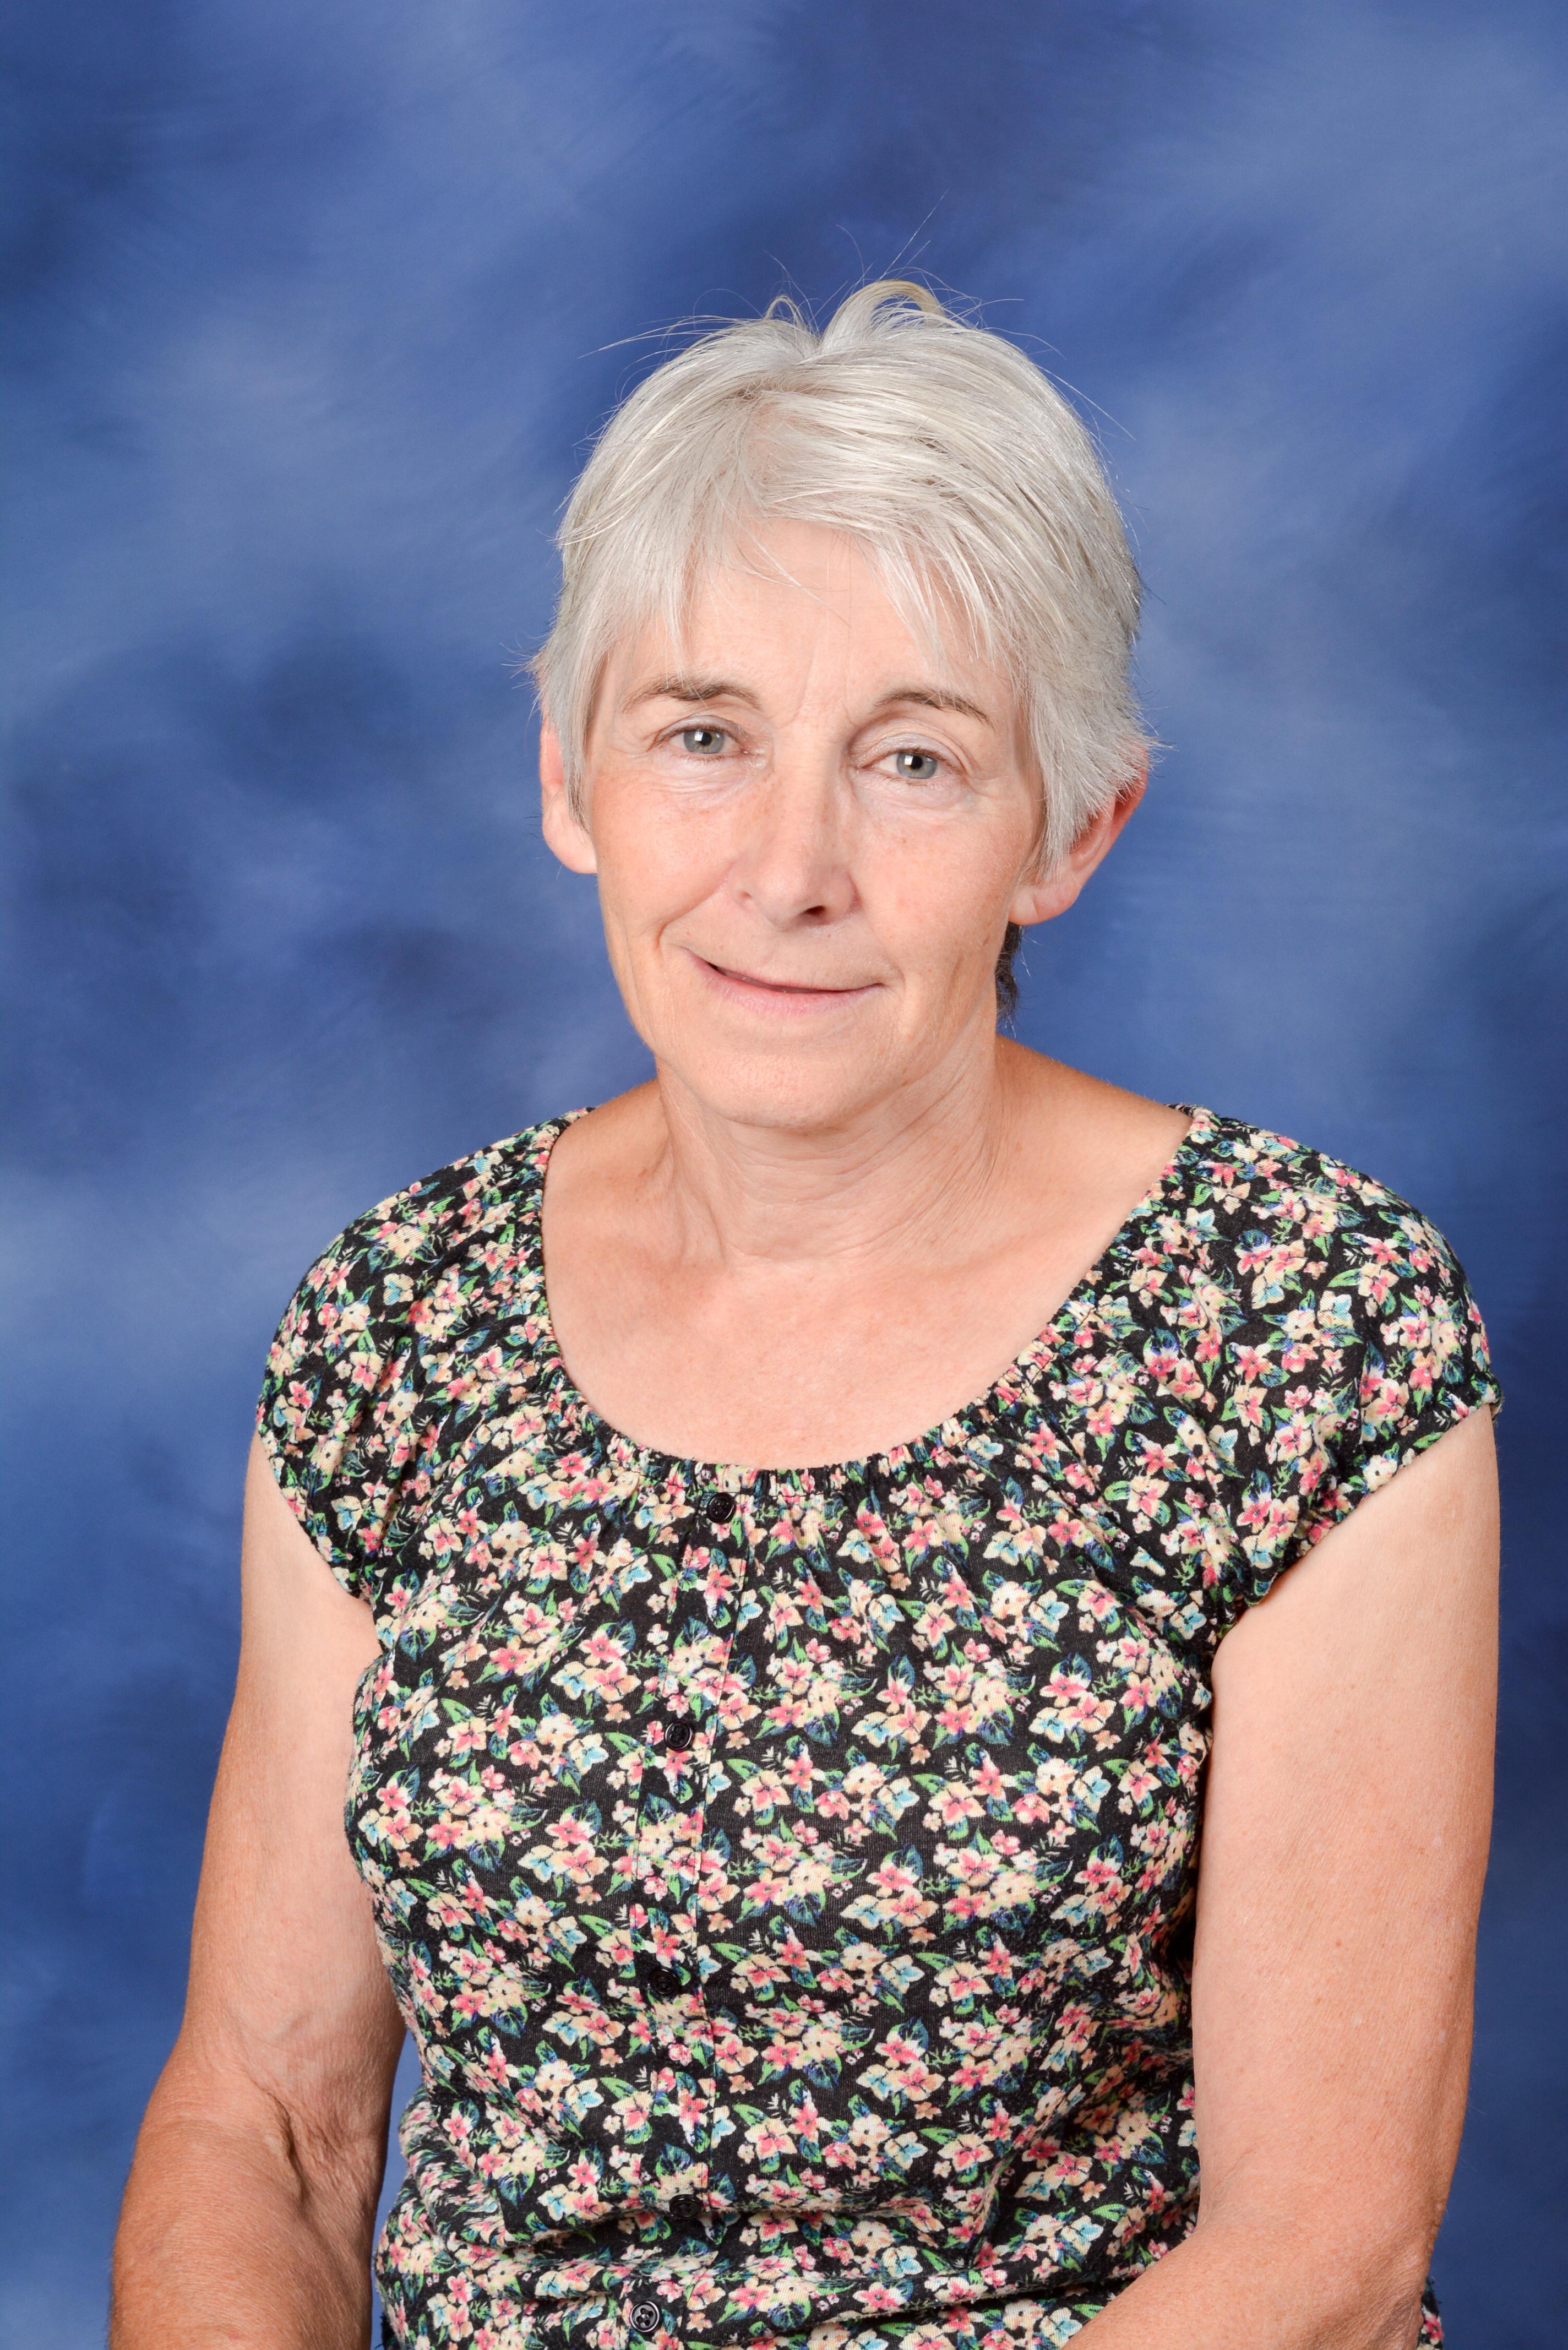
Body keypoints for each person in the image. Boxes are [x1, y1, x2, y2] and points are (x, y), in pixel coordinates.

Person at [111, 284, 1500, 2350]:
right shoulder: (401, 1322)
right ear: (571, 778)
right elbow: (270, 2134)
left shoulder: (1300, 1324)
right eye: (704, 736)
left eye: (914, 760)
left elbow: (1324, 2247)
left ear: (1073, 828)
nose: (790, 870)